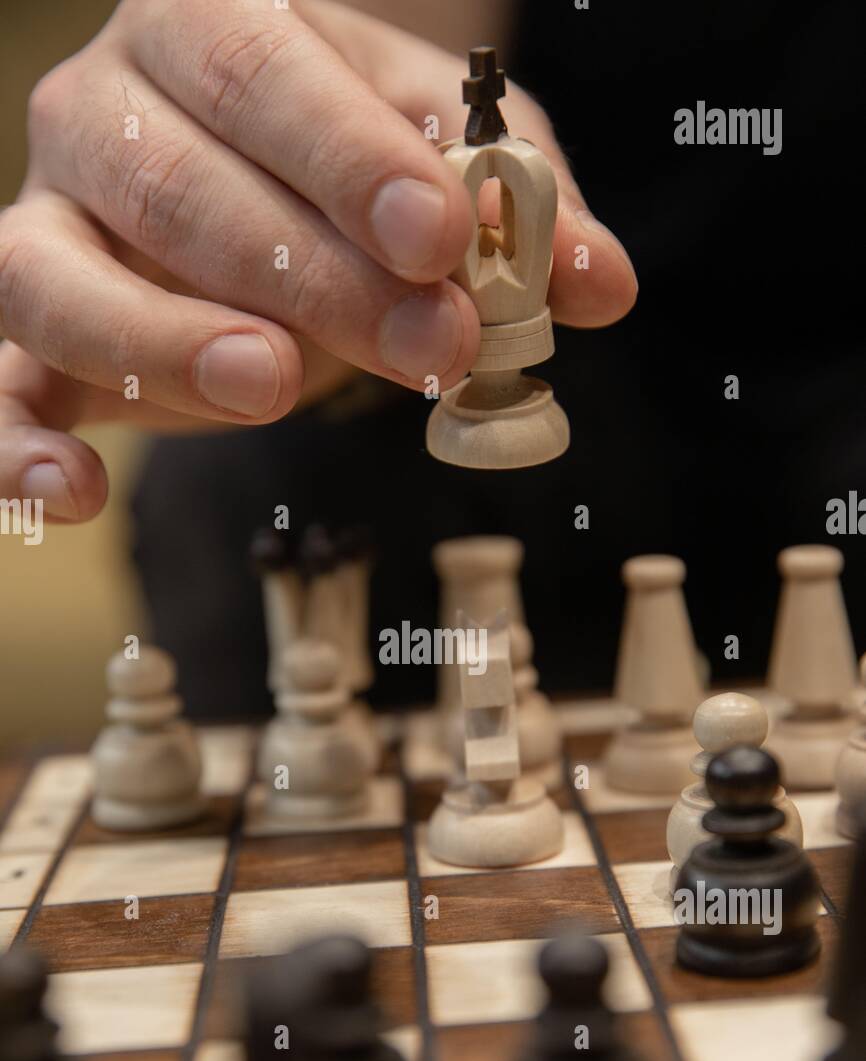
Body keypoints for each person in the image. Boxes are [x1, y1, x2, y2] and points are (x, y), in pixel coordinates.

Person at [1, 0, 863, 717]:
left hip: (833, 387)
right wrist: (269, 167)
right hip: (455, 422)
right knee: (238, 484)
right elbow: (371, 50)